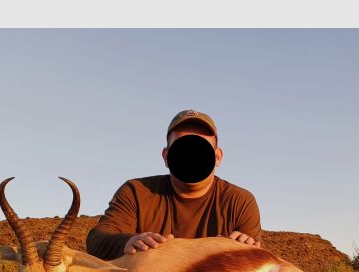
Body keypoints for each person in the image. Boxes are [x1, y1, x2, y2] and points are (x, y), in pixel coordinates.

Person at [86, 109, 262, 260]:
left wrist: (248, 252)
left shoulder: (241, 201)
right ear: (166, 156)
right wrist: (126, 242)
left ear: (217, 157)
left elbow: (250, 264)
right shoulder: (135, 192)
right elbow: (97, 239)